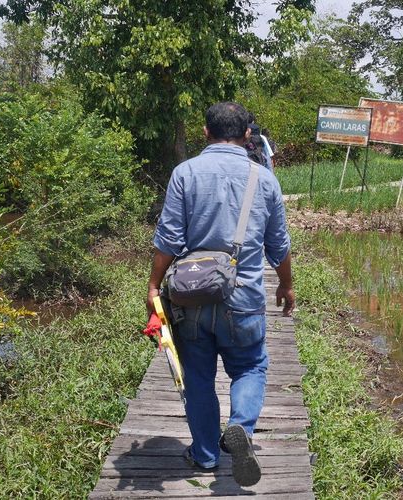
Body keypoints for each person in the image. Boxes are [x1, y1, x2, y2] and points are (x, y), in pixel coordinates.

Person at [147, 101, 294, 487]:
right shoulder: (263, 179)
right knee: (250, 367)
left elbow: (168, 239)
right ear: (248, 135)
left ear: (205, 132)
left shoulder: (185, 173)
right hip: (243, 299)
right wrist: (286, 284)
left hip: (190, 298)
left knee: (197, 377)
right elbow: (279, 244)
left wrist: (152, 285)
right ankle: (241, 427)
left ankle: (206, 455)